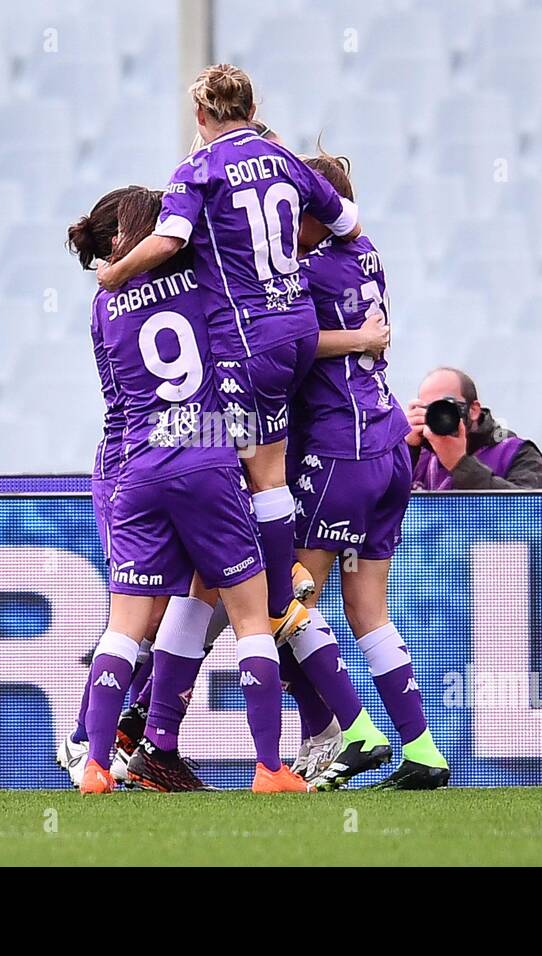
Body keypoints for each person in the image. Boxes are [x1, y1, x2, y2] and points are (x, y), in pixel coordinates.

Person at [97, 63, 363, 651]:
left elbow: (168, 241)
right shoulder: (288, 161)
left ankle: (273, 598)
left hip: (250, 341)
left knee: (256, 475)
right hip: (299, 326)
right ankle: (272, 589)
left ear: (200, 115)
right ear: (250, 105)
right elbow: (348, 222)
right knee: (265, 467)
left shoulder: (197, 169)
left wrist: (115, 272)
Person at [79, 187, 308, 794]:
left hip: (138, 467)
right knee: (252, 617)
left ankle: (96, 765)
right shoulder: (203, 277)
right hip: (205, 457)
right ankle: (269, 768)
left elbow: (116, 400)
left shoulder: (102, 308)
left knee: (124, 626)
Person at [285, 153, 451, 790]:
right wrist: (365, 339)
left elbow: (287, 342)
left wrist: (352, 340)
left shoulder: (304, 272)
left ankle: (352, 732)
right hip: (387, 451)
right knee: (367, 608)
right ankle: (424, 752)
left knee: (286, 598)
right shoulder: (367, 252)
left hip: (340, 451)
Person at [57, 186, 170, 788]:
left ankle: (118, 733)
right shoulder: (135, 296)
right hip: (135, 464)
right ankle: (86, 739)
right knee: (144, 618)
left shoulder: (116, 298)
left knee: (161, 616)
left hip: (135, 462)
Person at [406, 368, 542, 490]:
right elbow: (384, 510)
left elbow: (533, 515)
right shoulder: (418, 456)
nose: (441, 415)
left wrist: (460, 464)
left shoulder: (515, 453)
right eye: (431, 408)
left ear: (473, 410)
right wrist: (406, 450)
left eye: (448, 406)